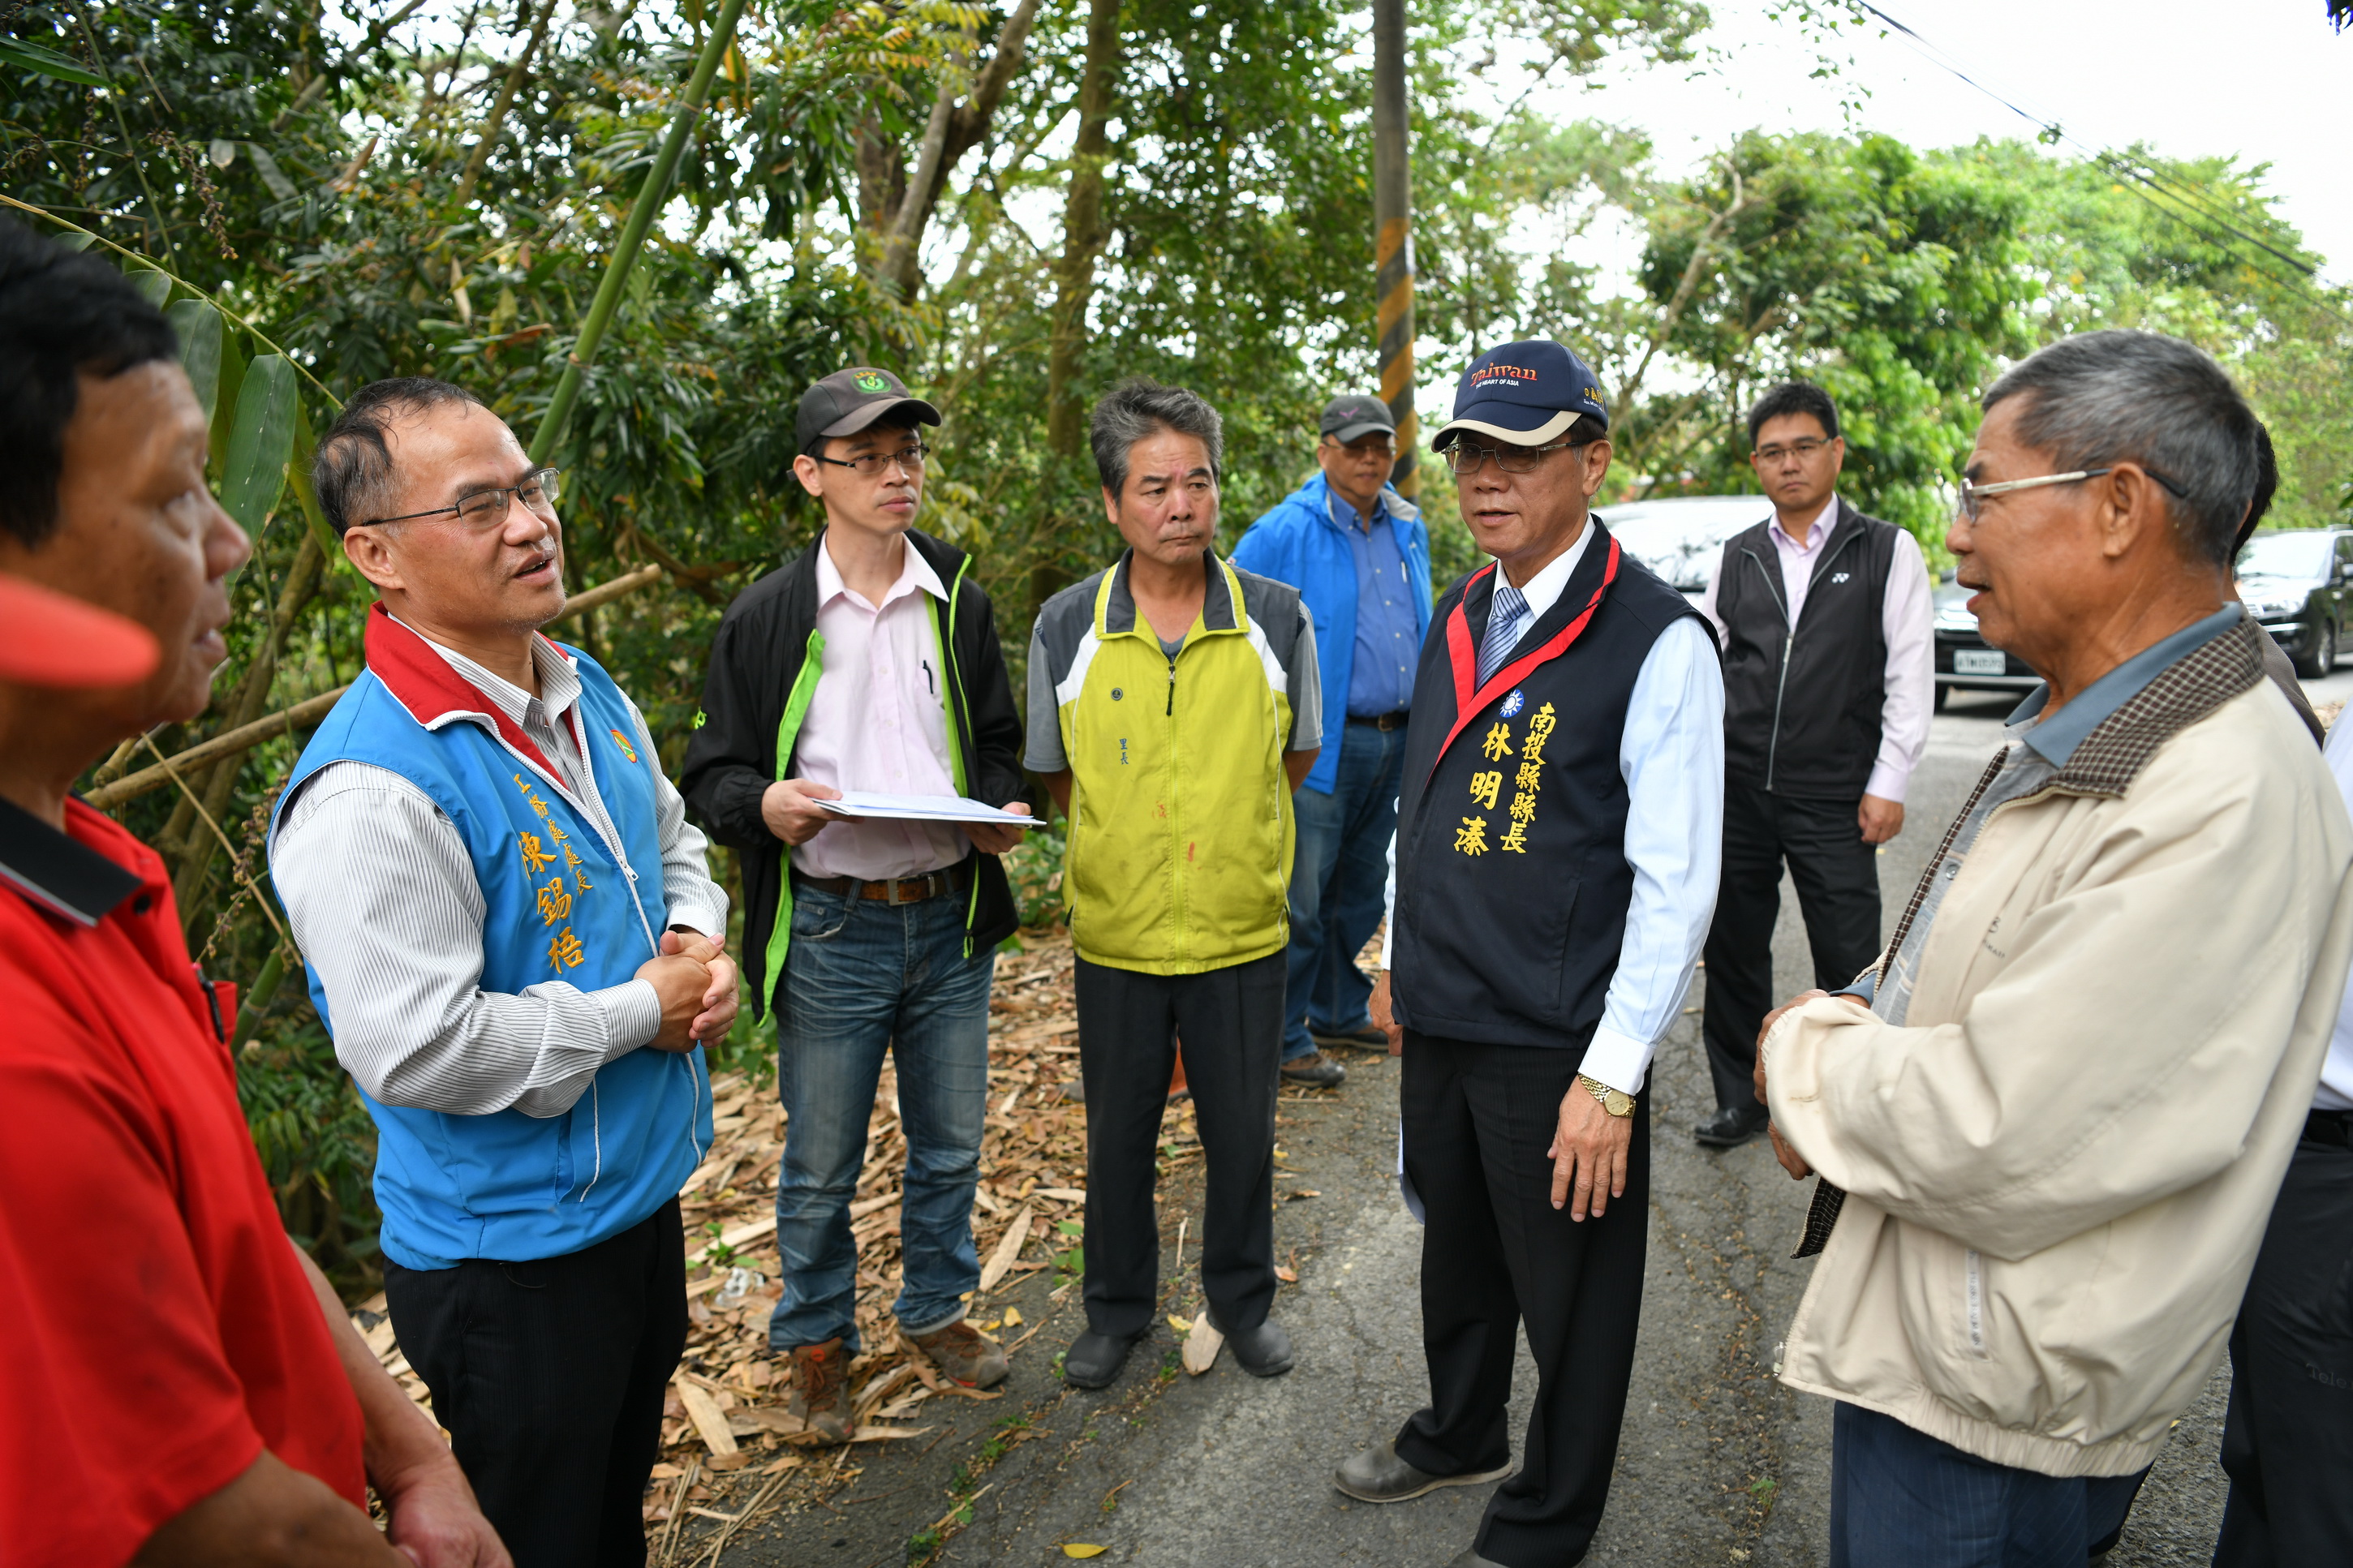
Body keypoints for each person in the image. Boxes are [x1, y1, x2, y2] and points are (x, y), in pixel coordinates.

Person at [1754, 329, 2353, 1568]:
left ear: (2120, 506)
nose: (1960, 531)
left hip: (2001, 1385)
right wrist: (1863, 1014)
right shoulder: (2102, 709)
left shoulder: (2215, 783)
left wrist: (1798, 1056)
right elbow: (1970, 946)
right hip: (1972, 1340)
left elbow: (2003, 1122)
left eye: (1984, 491)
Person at [0, 220, 505, 1566]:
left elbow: (224, 1213)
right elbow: (205, 1519)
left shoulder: (93, 871)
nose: (228, 542)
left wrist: (414, 1456)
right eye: (175, 497)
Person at [270, 377, 737, 1566]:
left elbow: (669, 842)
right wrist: (644, 1009)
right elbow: (413, 1046)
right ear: (377, 554)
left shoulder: (580, 687)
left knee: (608, 1512)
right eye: (482, 505)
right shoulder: (374, 787)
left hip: (634, 1207)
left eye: (532, 488)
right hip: (511, 1267)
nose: (532, 523)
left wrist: (692, 937)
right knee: (539, 1537)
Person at [1341, 340, 1723, 1568]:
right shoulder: (1461, 613)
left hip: (1559, 1034)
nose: (1486, 478)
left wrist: (1613, 1074)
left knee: (1572, 1292)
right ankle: (1458, 1429)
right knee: (1457, 1252)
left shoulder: (1655, 639)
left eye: (1521, 451)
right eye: (1468, 452)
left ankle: (1549, 1518)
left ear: (1592, 460)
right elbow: (1420, 801)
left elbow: (1678, 885)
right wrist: (1396, 947)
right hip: (1445, 1006)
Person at [679, 367, 1031, 1440]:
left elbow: (1003, 747)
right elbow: (709, 778)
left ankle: (935, 1311)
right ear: (810, 475)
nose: (896, 474)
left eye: (909, 453)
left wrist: (1001, 809)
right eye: (868, 457)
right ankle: (818, 1340)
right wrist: (769, 803)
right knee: (823, 1157)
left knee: (952, 1141)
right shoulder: (770, 617)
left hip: (947, 911)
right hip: (834, 921)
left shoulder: (959, 603)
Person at [1026, 377, 1323, 1390]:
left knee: (1242, 1137)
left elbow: (1291, 759)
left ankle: (1242, 1304)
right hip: (1116, 939)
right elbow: (1059, 778)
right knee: (1117, 1141)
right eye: (1153, 487)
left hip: (1241, 933)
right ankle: (1115, 1311)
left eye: (1196, 481)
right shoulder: (1069, 626)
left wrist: (1221, 840)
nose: (1180, 505)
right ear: (1113, 502)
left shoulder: (1274, 620)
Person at [1693, 380, 1932, 1148]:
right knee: (1732, 947)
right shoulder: (1739, 558)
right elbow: (1704, 666)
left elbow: (1910, 672)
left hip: (1837, 793)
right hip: (1738, 792)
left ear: (1834, 452)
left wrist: (1888, 781)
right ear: (1755, 464)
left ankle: (1849, 1099)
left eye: (1803, 447)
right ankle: (1743, 1098)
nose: (1788, 464)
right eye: (1772, 452)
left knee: (1849, 951)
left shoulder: (1885, 550)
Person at [1232, 392, 1433, 1090]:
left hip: (1394, 737)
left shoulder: (1407, 525)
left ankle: (1337, 1007)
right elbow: (1231, 625)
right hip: (1318, 746)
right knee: (1303, 896)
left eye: (1381, 446)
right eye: (1355, 447)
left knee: (1360, 890)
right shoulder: (1283, 531)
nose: (1371, 458)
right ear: (1324, 452)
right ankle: (1284, 1034)